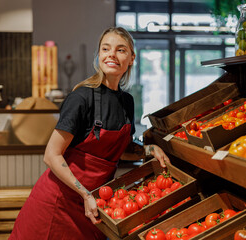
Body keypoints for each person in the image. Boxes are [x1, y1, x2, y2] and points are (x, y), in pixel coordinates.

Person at [9, 26, 170, 240]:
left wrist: (149, 149)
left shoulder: (127, 102)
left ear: (131, 58)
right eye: (106, 49)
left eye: (120, 50)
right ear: (100, 55)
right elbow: (51, 155)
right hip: (58, 202)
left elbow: (121, 150)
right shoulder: (81, 98)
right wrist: (85, 194)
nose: (112, 54)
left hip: (93, 204)